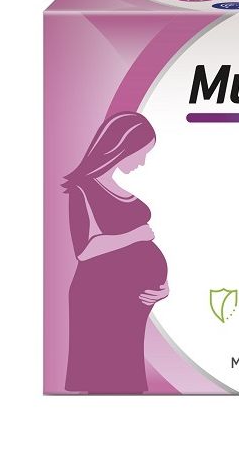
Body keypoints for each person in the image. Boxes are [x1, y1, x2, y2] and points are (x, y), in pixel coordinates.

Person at [63, 112, 169, 393]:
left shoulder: (115, 188)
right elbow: (84, 250)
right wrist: (137, 235)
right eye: (140, 153)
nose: (141, 162)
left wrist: (162, 287)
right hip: (100, 300)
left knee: (126, 378)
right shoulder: (82, 190)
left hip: (129, 303)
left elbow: (136, 256)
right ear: (122, 147)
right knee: (106, 380)